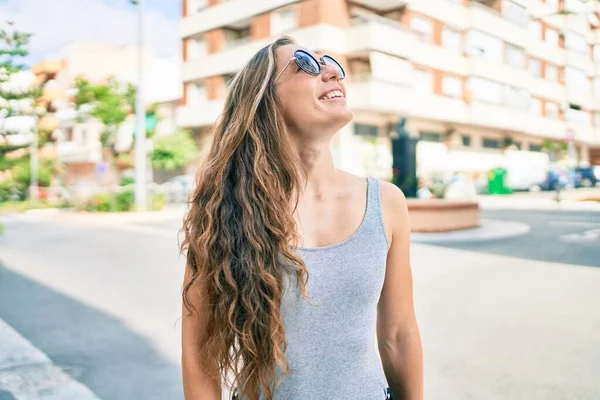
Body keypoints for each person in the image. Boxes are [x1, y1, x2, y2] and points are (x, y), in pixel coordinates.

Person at [180, 36, 423, 400]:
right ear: (265, 100)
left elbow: (399, 334)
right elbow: (200, 356)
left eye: (333, 65)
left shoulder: (387, 203)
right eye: (306, 63)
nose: (331, 72)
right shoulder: (225, 209)